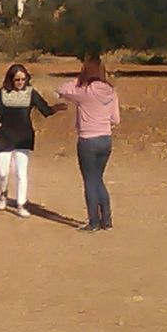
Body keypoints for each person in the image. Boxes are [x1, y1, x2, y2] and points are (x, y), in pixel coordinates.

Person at [0, 64, 67, 217]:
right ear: (11, 80)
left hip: (23, 137)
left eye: (23, 79)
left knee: (22, 173)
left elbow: (45, 110)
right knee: (3, 171)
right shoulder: (2, 94)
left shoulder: (31, 93)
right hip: (5, 137)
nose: (20, 82)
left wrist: (58, 108)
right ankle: (3, 194)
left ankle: (21, 204)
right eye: (17, 80)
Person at [56, 56, 121, 232]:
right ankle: (106, 220)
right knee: (98, 179)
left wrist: (79, 80)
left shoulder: (84, 90)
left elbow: (61, 89)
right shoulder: (110, 90)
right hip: (106, 139)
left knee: (90, 181)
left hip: (88, 140)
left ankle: (93, 221)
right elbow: (116, 119)